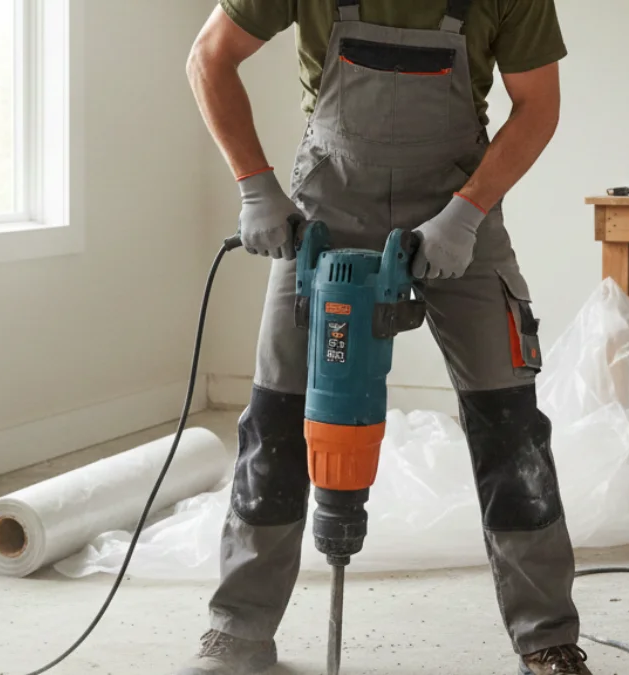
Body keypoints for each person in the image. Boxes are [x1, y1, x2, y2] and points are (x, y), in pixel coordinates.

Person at [185, 1, 588, 673]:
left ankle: (547, 638)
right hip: (329, 207)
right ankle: (237, 626)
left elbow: (537, 105)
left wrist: (466, 213)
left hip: (461, 204)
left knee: (511, 426)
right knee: (276, 418)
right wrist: (256, 187)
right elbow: (210, 55)